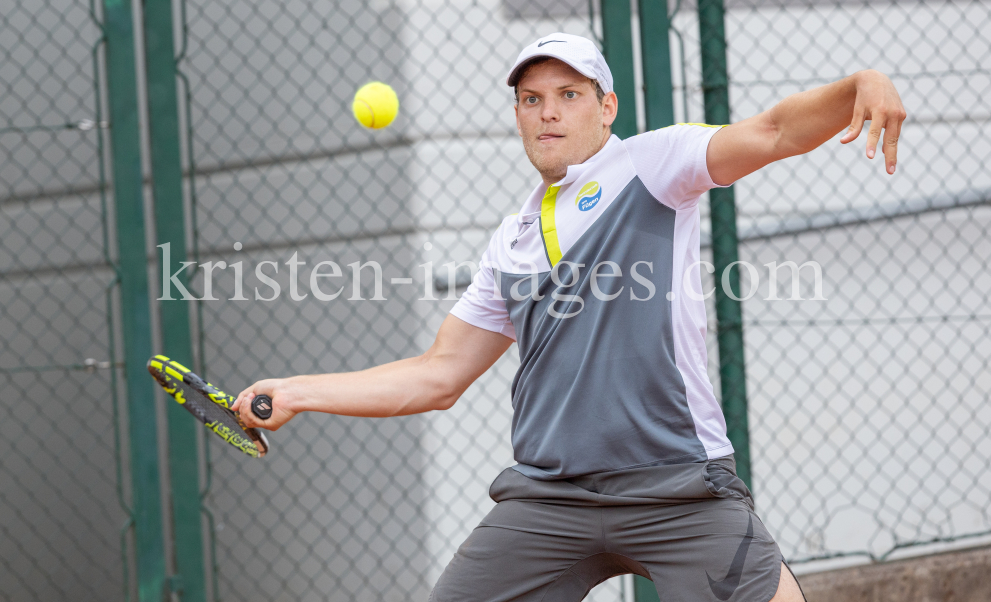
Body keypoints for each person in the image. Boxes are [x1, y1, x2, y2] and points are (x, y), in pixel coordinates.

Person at [233, 33, 906, 601]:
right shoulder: (512, 239)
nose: (547, 113)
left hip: (678, 488)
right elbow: (438, 375)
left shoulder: (654, 165)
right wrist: (297, 392)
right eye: (532, 99)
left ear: (606, 107)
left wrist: (860, 84)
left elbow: (774, 130)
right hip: (550, 500)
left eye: (569, 95)